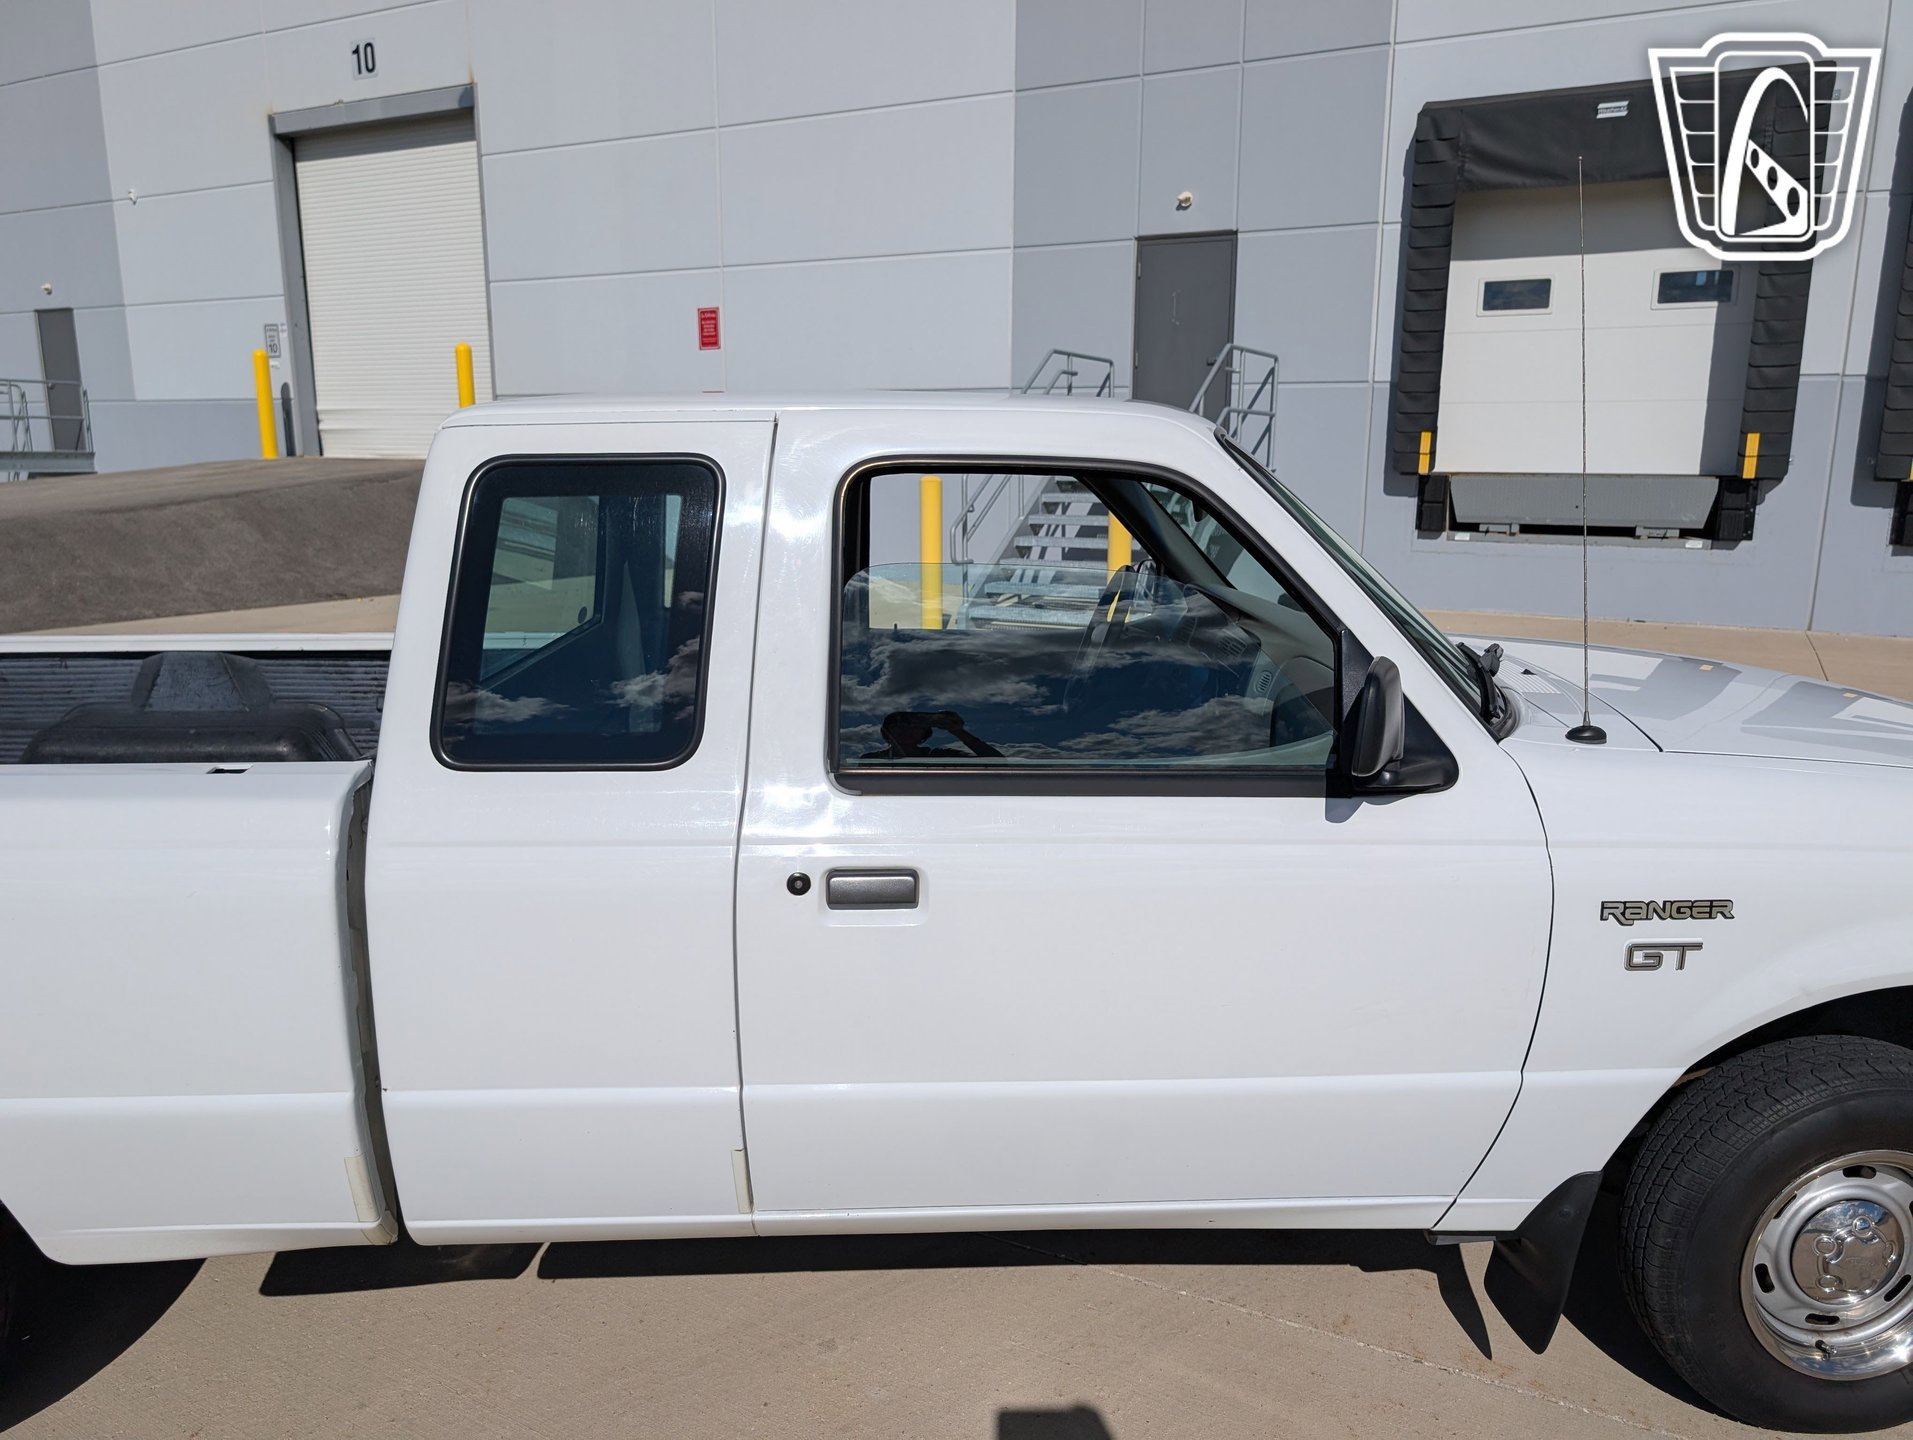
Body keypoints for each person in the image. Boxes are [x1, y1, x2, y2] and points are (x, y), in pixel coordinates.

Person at [864, 709, 1001, 760]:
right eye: (898, 726)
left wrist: (957, 730)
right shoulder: (870, 760)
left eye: (915, 726)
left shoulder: (940, 756)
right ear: (887, 731)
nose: (906, 731)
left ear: (925, 732)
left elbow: (998, 764)